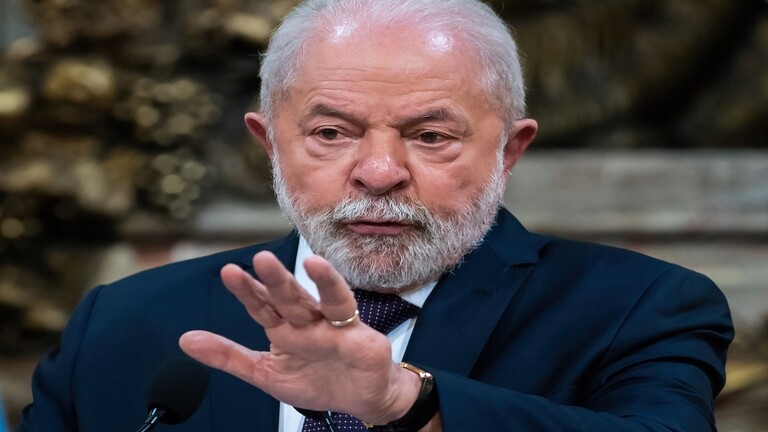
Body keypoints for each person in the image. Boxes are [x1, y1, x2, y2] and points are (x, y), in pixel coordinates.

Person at [17, 0, 733, 431]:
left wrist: (403, 400)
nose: (380, 171)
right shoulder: (122, 324)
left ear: (509, 150)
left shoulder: (638, 308)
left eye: (431, 135)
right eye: (332, 132)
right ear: (270, 143)